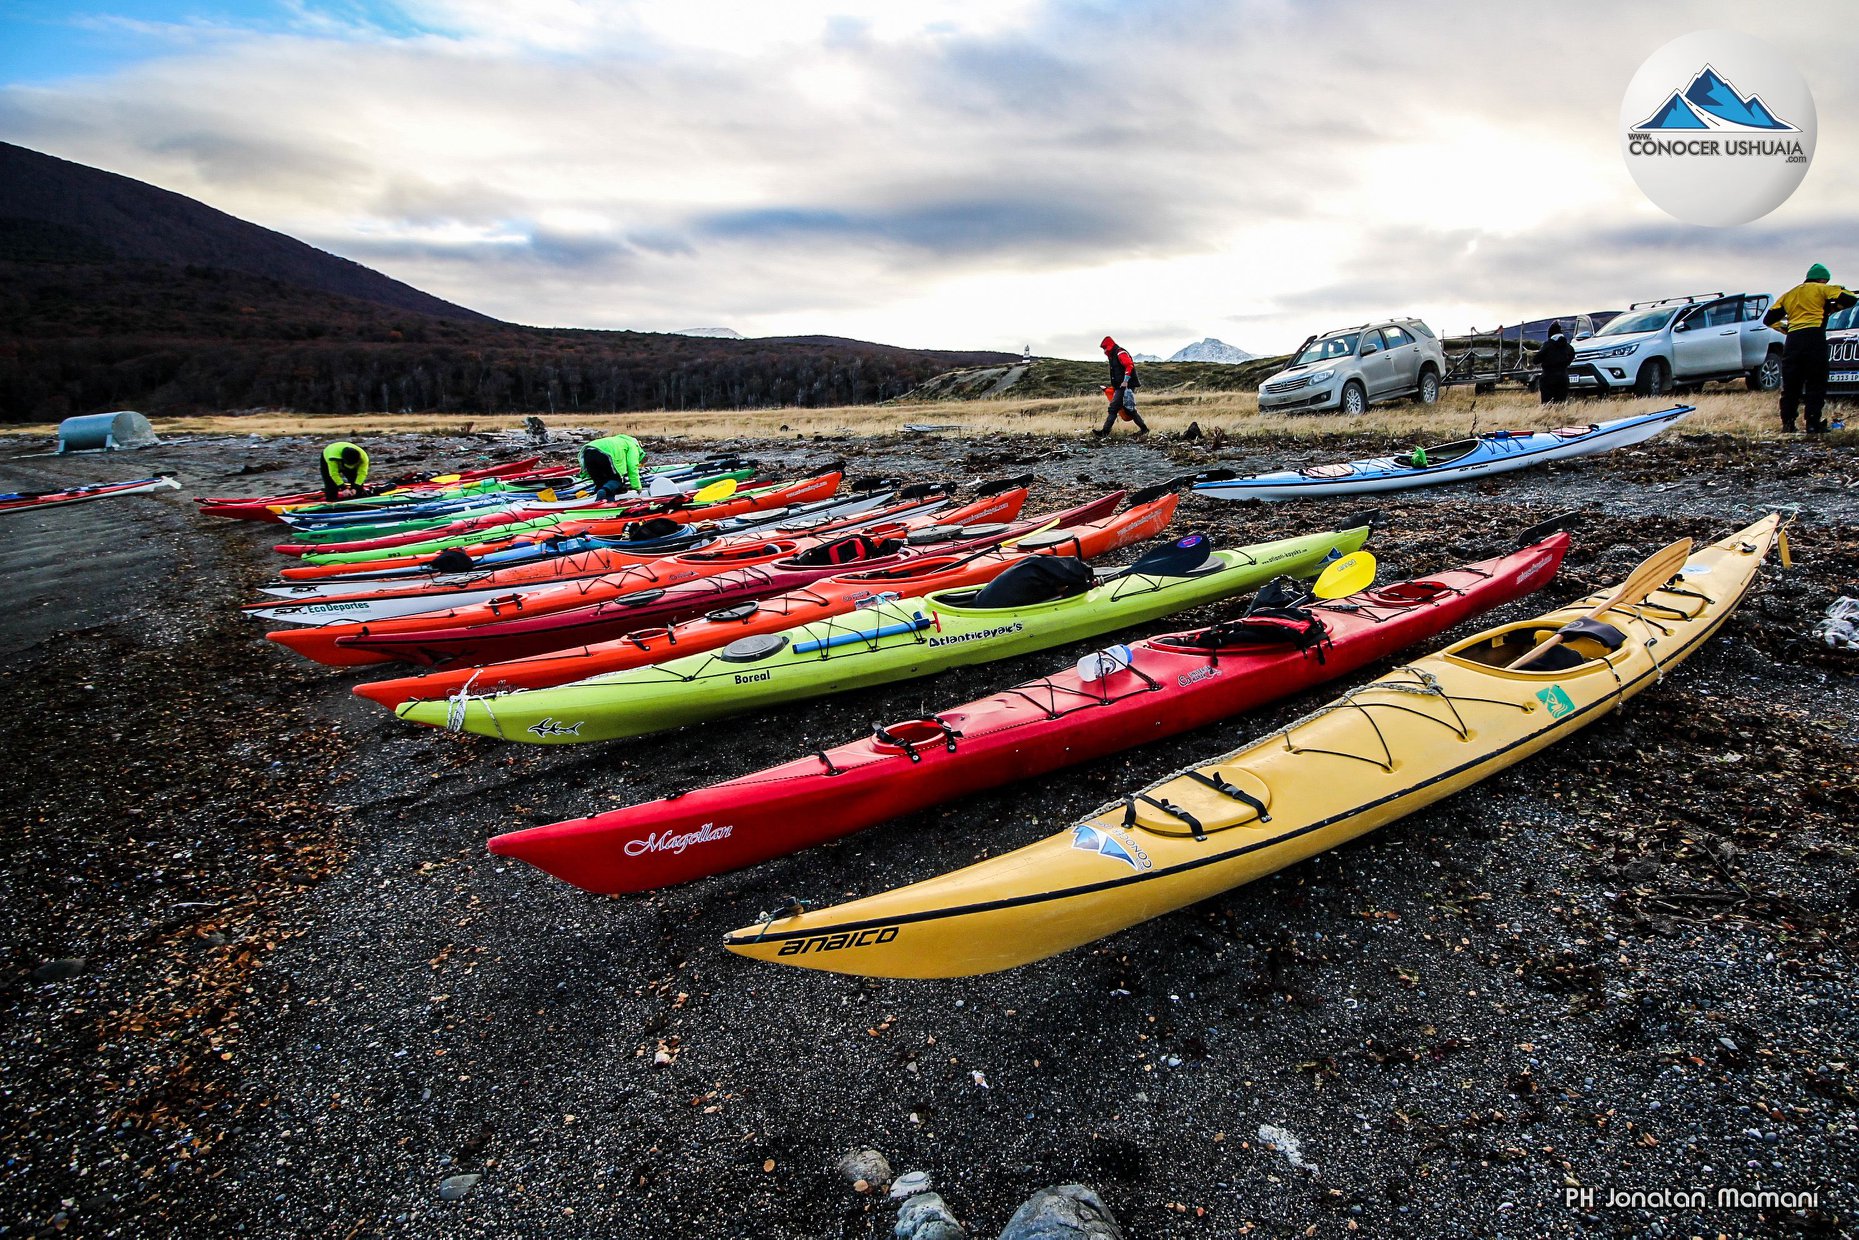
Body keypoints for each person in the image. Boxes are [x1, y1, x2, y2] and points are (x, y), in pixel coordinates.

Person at [1763, 263, 1858, 433]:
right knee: (1816, 382)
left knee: (1791, 386)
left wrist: (1785, 329)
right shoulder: (1822, 289)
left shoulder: (1789, 294)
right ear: (1823, 279)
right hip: (1814, 339)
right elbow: (1851, 298)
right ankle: (1813, 423)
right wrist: (1835, 305)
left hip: (1793, 341)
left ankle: (1788, 424)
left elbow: (1769, 319)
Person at [1092, 336, 1148, 437]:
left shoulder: (1120, 352)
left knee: (1116, 408)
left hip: (1125, 385)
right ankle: (1144, 429)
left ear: (1109, 346)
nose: (1104, 350)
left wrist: (1125, 381)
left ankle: (1104, 432)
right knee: (1127, 409)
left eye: (1105, 348)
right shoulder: (1114, 355)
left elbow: (1129, 365)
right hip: (1121, 386)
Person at [580, 433, 645, 500]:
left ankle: (600, 501)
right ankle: (606, 498)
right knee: (616, 480)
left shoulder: (618, 440)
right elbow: (632, 467)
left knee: (602, 482)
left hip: (587, 452)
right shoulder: (633, 446)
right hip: (604, 454)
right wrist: (637, 487)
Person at [1537, 321, 1574, 405]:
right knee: (1561, 402)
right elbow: (1571, 358)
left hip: (1548, 378)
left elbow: (1536, 360)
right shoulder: (1569, 347)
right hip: (1563, 377)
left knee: (1547, 403)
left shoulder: (1547, 345)